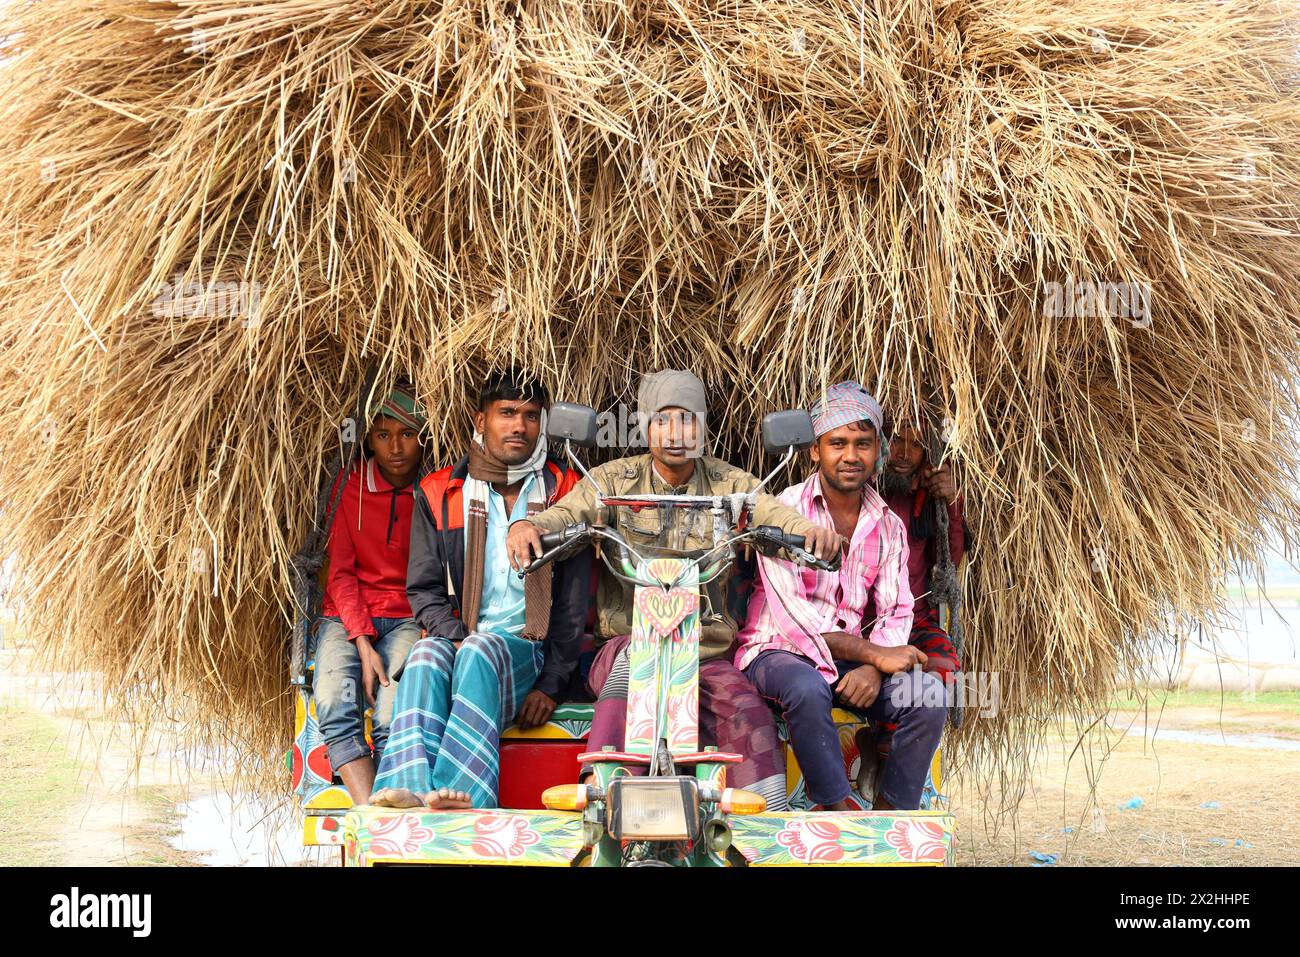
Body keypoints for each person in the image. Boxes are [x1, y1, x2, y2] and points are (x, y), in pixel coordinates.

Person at [506, 369, 840, 811]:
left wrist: (809, 533)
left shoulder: (730, 485)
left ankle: (764, 827)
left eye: (688, 420)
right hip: (625, 643)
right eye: (663, 420)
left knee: (748, 713)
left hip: (704, 652)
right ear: (645, 425)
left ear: (703, 427)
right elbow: (569, 513)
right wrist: (529, 526)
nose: (676, 432)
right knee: (635, 664)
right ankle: (600, 794)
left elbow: (773, 513)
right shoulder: (613, 481)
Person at [369, 369, 591, 810]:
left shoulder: (564, 492)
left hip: (527, 651)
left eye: (530, 415)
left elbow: (572, 603)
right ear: (480, 420)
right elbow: (424, 590)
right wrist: (455, 636)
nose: (519, 426)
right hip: (465, 639)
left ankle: (463, 793)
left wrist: (550, 684)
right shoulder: (441, 491)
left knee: (480, 650)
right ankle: (407, 787)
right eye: (506, 413)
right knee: (428, 653)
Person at [736, 381, 946, 811]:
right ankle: (834, 815)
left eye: (863, 444)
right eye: (838, 443)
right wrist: (875, 655)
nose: (851, 455)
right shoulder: (784, 513)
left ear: (877, 451)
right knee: (806, 687)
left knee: (928, 694)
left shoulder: (887, 523)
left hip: (852, 660)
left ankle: (890, 818)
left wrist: (875, 667)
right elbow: (796, 620)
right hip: (778, 652)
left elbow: (897, 607)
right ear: (815, 451)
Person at [314, 383, 427, 805]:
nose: (395, 447)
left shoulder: (433, 491)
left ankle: (390, 805)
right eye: (382, 435)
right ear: (368, 440)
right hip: (347, 617)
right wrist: (362, 643)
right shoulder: (350, 487)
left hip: (408, 617)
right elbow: (340, 574)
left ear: (424, 439)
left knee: (390, 714)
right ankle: (371, 817)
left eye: (407, 434)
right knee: (333, 702)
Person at [876, 418, 967, 678]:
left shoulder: (927, 500)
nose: (904, 453)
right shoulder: (858, 491)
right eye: (896, 441)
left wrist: (949, 500)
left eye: (915, 444)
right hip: (863, 623)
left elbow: (949, 560)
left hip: (915, 621)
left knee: (944, 670)